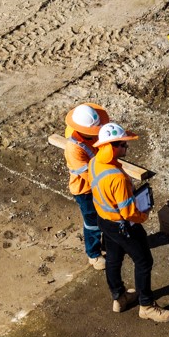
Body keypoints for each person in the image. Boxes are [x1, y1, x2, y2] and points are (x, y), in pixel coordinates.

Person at [89, 123, 169, 323]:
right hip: (123, 226)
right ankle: (146, 306)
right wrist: (144, 215)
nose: (127, 149)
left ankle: (119, 298)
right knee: (144, 262)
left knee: (113, 259)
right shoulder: (117, 178)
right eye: (123, 145)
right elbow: (129, 213)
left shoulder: (95, 162)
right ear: (112, 146)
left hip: (104, 221)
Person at [65, 103, 109, 271]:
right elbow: (88, 175)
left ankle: (106, 245)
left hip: (97, 181)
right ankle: (94, 254)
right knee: (92, 222)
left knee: (104, 217)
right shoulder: (74, 148)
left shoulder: (89, 134)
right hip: (86, 189)